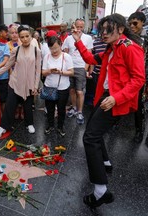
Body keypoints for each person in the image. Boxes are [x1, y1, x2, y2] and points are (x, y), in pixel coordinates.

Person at [72, 13, 145, 208]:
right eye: (101, 29)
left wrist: (115, 98)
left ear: (120, 29)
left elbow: (139, 79)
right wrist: (78, 41)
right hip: (104, 97)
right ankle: (105, 162)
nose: (103, 33)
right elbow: (89, 58)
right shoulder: (110, 48)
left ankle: (100, 190)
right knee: (92, 131)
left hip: (115, 101)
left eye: (107, 29)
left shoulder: (130, 48)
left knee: (90, 137)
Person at [0, 25, 41, 139]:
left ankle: (29, 124)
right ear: (19, 38)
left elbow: (38, 69)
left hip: (29, 83)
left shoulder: (36, 50)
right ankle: (2, 127)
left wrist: (35, 85)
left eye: (27, 36)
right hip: (15, 82)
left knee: (28, 106)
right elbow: (8, 64)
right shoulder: (16, 50)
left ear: (30, 36)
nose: (25, 39)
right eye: (22, 37)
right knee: (10, 106)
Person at [62, 18, 93, 125]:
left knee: (80, 91)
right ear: (74, 26)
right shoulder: (68, 38)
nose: (79, 29)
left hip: (81, 67)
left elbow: (89, 55)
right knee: (71, 90)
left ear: (83, 27)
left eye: (81, 27)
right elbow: (65, 54)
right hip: (70, 67)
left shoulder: (88, 38)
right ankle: (74, 108)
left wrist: (85, 69)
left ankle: (80, 111)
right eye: (77, 26)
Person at [42, 36, 74, 136]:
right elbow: (43, 73)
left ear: (60, 45)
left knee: (61, 108)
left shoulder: (66, 57)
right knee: (50, 109)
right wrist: (49, 71)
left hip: (63, 88)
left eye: (56, 48)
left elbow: (72, 72)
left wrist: (61, 72)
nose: (54, 50)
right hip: (49, 87)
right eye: (51, 48)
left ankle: (60, 126)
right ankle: (50, 125)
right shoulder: (47, 56)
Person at [128, 11, 148, 144]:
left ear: (142, 23)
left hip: (142, 78)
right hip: (128, 77)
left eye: (135, 23)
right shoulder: (127, 38)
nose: (132, 26)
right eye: (130, 23)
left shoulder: (146, 40)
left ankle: (139, 132)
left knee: (139, 106)